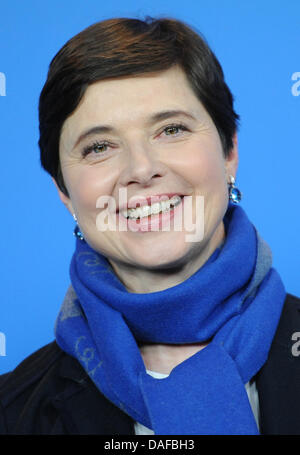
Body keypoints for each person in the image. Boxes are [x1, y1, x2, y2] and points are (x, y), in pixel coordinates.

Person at [0, 16, 299, 436]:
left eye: (171, 129)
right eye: (99, 147)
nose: (141, 169)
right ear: (64, 191)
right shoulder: (11, 412)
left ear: (229, 149)